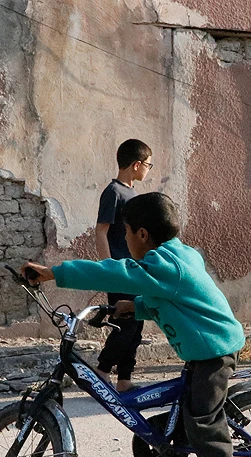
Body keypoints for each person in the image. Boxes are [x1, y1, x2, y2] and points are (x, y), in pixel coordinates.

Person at [22, 192, 251, 457]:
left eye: (126, 232)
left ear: (142, 234)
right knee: (188, 413)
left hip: (214, 352)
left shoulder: (164, 264)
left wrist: (53, 273)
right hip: (204, 347)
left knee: (203, 421)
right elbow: (173, 297)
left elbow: (114, 273)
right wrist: (134, 307)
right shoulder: (177, 255)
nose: (125, 240)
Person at [94, 139, 152, 392]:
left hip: (135, 271)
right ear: (136, 164)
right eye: (148, 164)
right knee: (124, 324)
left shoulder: (132, 193)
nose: (149, 169)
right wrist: (109, 268)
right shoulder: (114, 192)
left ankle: (124, 379)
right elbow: (100, 231)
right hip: (120, 272)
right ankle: (102, 370)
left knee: (136, 324)